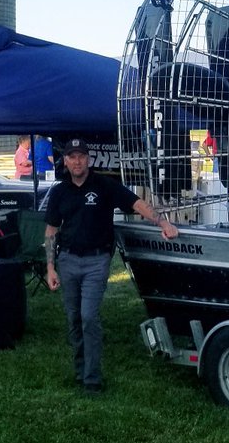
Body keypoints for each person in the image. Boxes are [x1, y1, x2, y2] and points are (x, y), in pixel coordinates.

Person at [44, 138, 178, 395]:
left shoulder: (105, 185)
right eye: (71, 156)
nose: (77, 161)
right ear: (66, 161)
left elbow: (136, 203)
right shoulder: (59, 191)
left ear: (89, 158)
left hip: (97, 261)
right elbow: (51, 230)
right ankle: (80, 369)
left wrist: (162, 223)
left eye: (81, 156)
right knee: (73, 318)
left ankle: (92, 379)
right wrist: (50, 267)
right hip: (68, 261)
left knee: (89, 317)